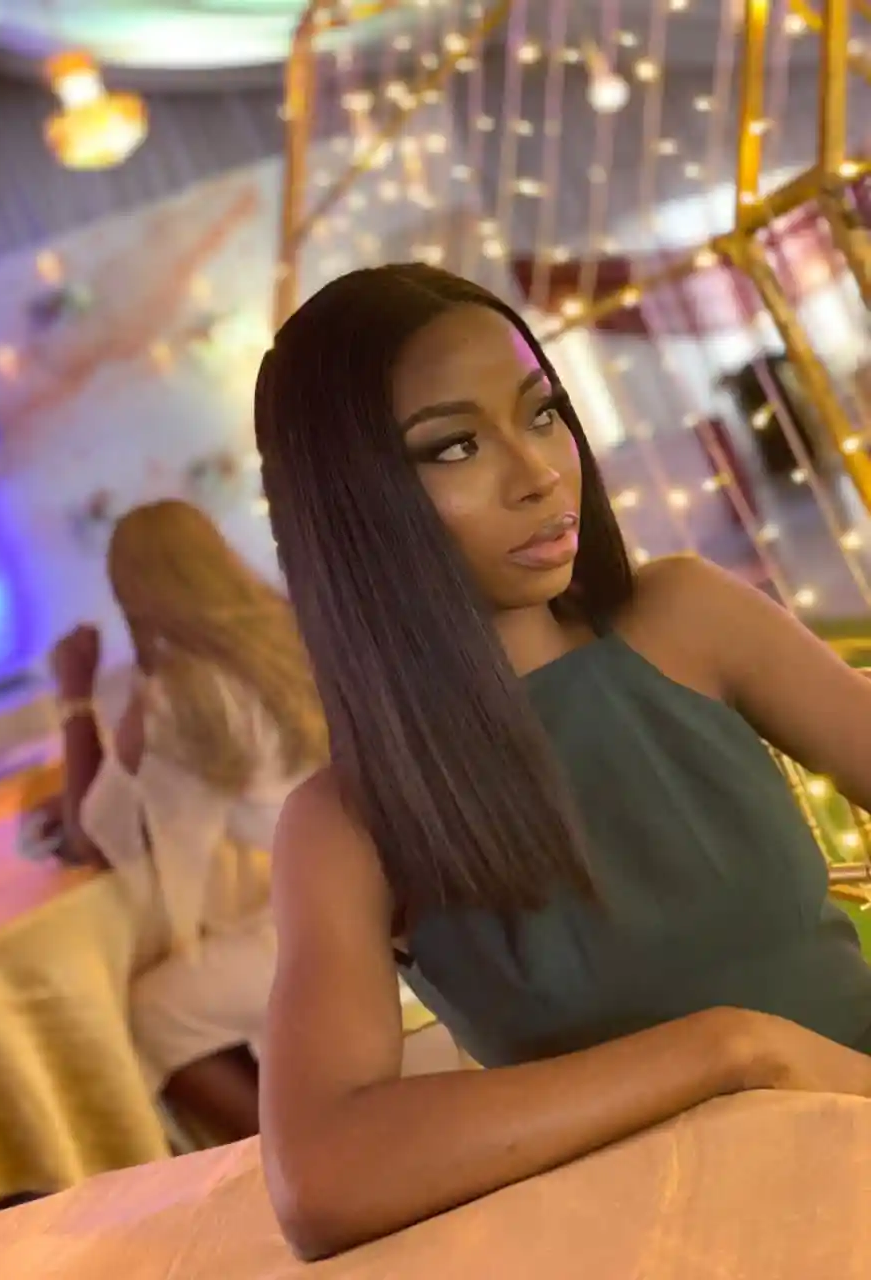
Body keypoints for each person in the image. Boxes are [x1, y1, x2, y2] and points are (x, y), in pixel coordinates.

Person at [251, 263, 871, 1260]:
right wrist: (731, 1049)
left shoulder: (687, 616)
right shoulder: (347, 823)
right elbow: (321, 1174)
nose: (539, 471)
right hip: (670, 1239)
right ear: (350, 505)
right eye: (456, 445)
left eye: (542, 413)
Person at [49, 499, 326, 1142]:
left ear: (135, 598)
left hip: (311, 925)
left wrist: (73, 695)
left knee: (153, 1012)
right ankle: (308, 1133)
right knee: (193, 987)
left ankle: (296, 1155)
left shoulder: (177, 696)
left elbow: (92, 838)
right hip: (382, 888)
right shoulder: (296, 634)